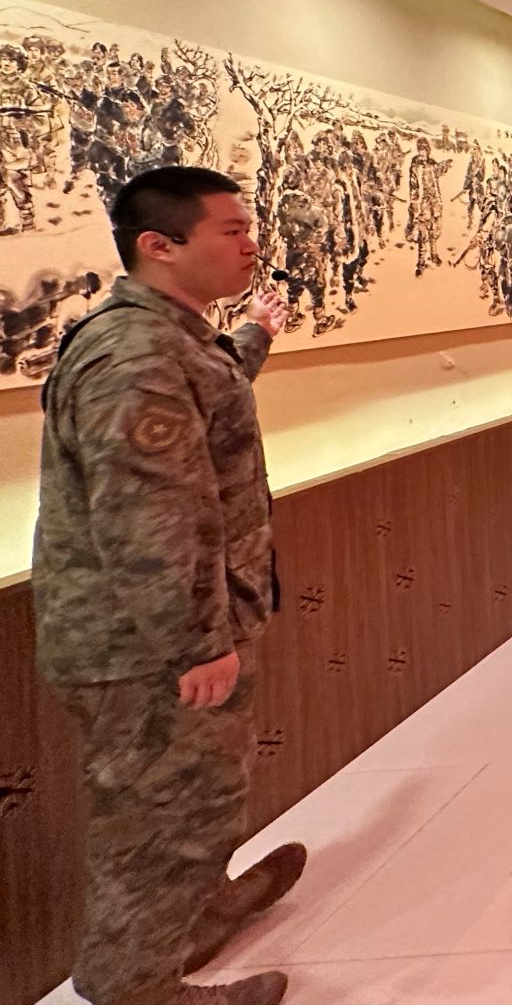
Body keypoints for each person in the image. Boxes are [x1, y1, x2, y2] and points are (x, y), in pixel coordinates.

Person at [34, 167, 304, 1005]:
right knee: (160, 824)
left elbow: (206, 397)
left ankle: (197, 913)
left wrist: (256, 334)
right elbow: (147, 516)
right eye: (231, 230)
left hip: (159, 634)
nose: (250, 243)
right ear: (160, 245)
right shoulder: (136, 355)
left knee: (196, 801)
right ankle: (137, 986)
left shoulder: (168, 338)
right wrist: (196, 643)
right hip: (147, 650)